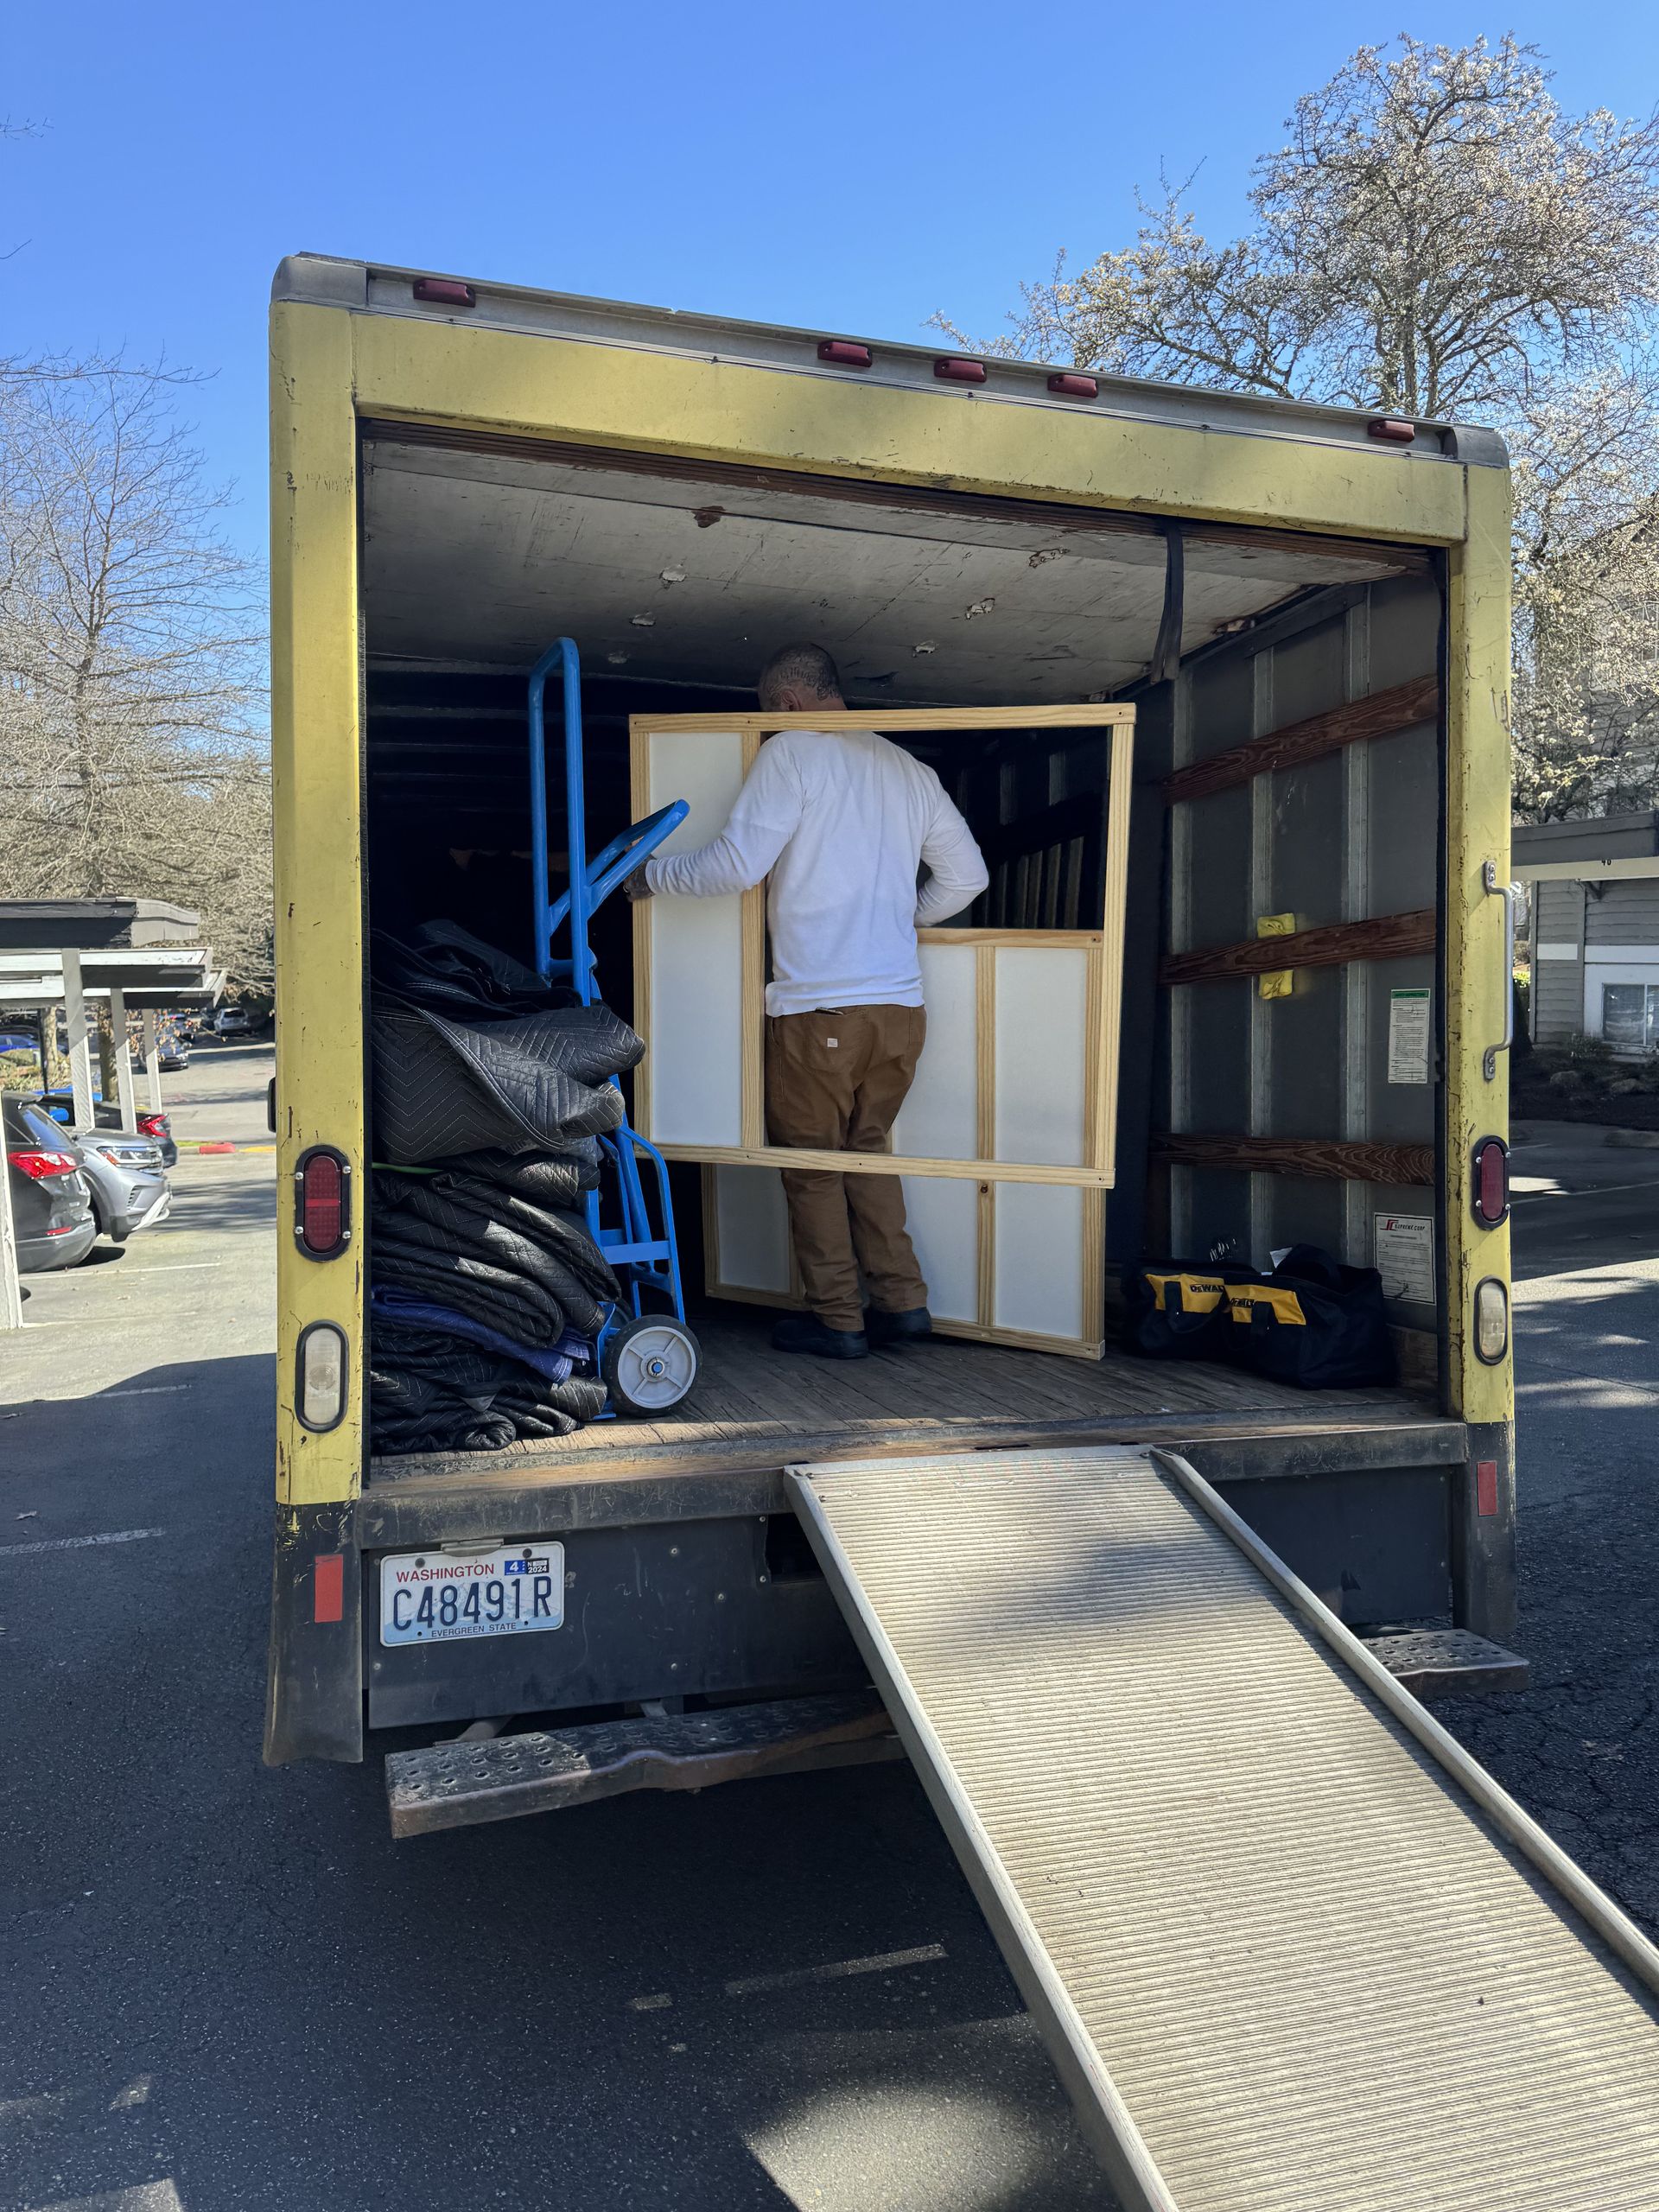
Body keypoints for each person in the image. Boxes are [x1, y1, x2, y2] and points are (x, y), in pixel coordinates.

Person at [627, 642, 988, 1360]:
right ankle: (902, 1302)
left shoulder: (793, 752)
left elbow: (736, 865)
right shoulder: (908, 770)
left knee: (814, 1164)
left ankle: (838, 1320)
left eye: (769, 712)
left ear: (789, 702)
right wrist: (896, 923)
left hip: (823, 1010)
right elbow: (967, 877)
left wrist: (650, 876)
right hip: (901, 1014)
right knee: (867, 1152)